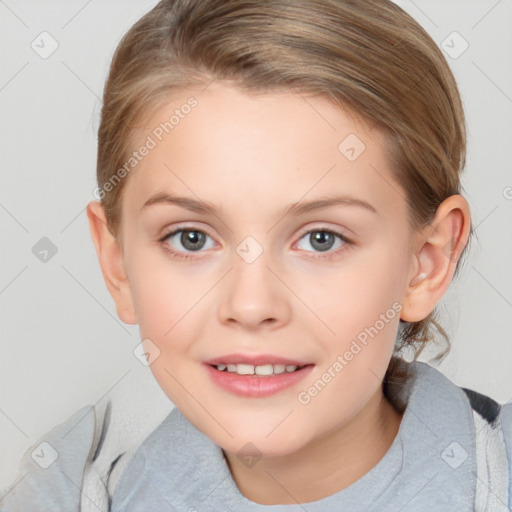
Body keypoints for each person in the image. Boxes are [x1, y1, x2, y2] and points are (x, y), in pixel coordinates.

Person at [1, 0, 511, 510]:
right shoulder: (67, 492)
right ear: (118, 265)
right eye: (191, 238)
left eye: (321, 239)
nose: (250, 304)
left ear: (426, 262)